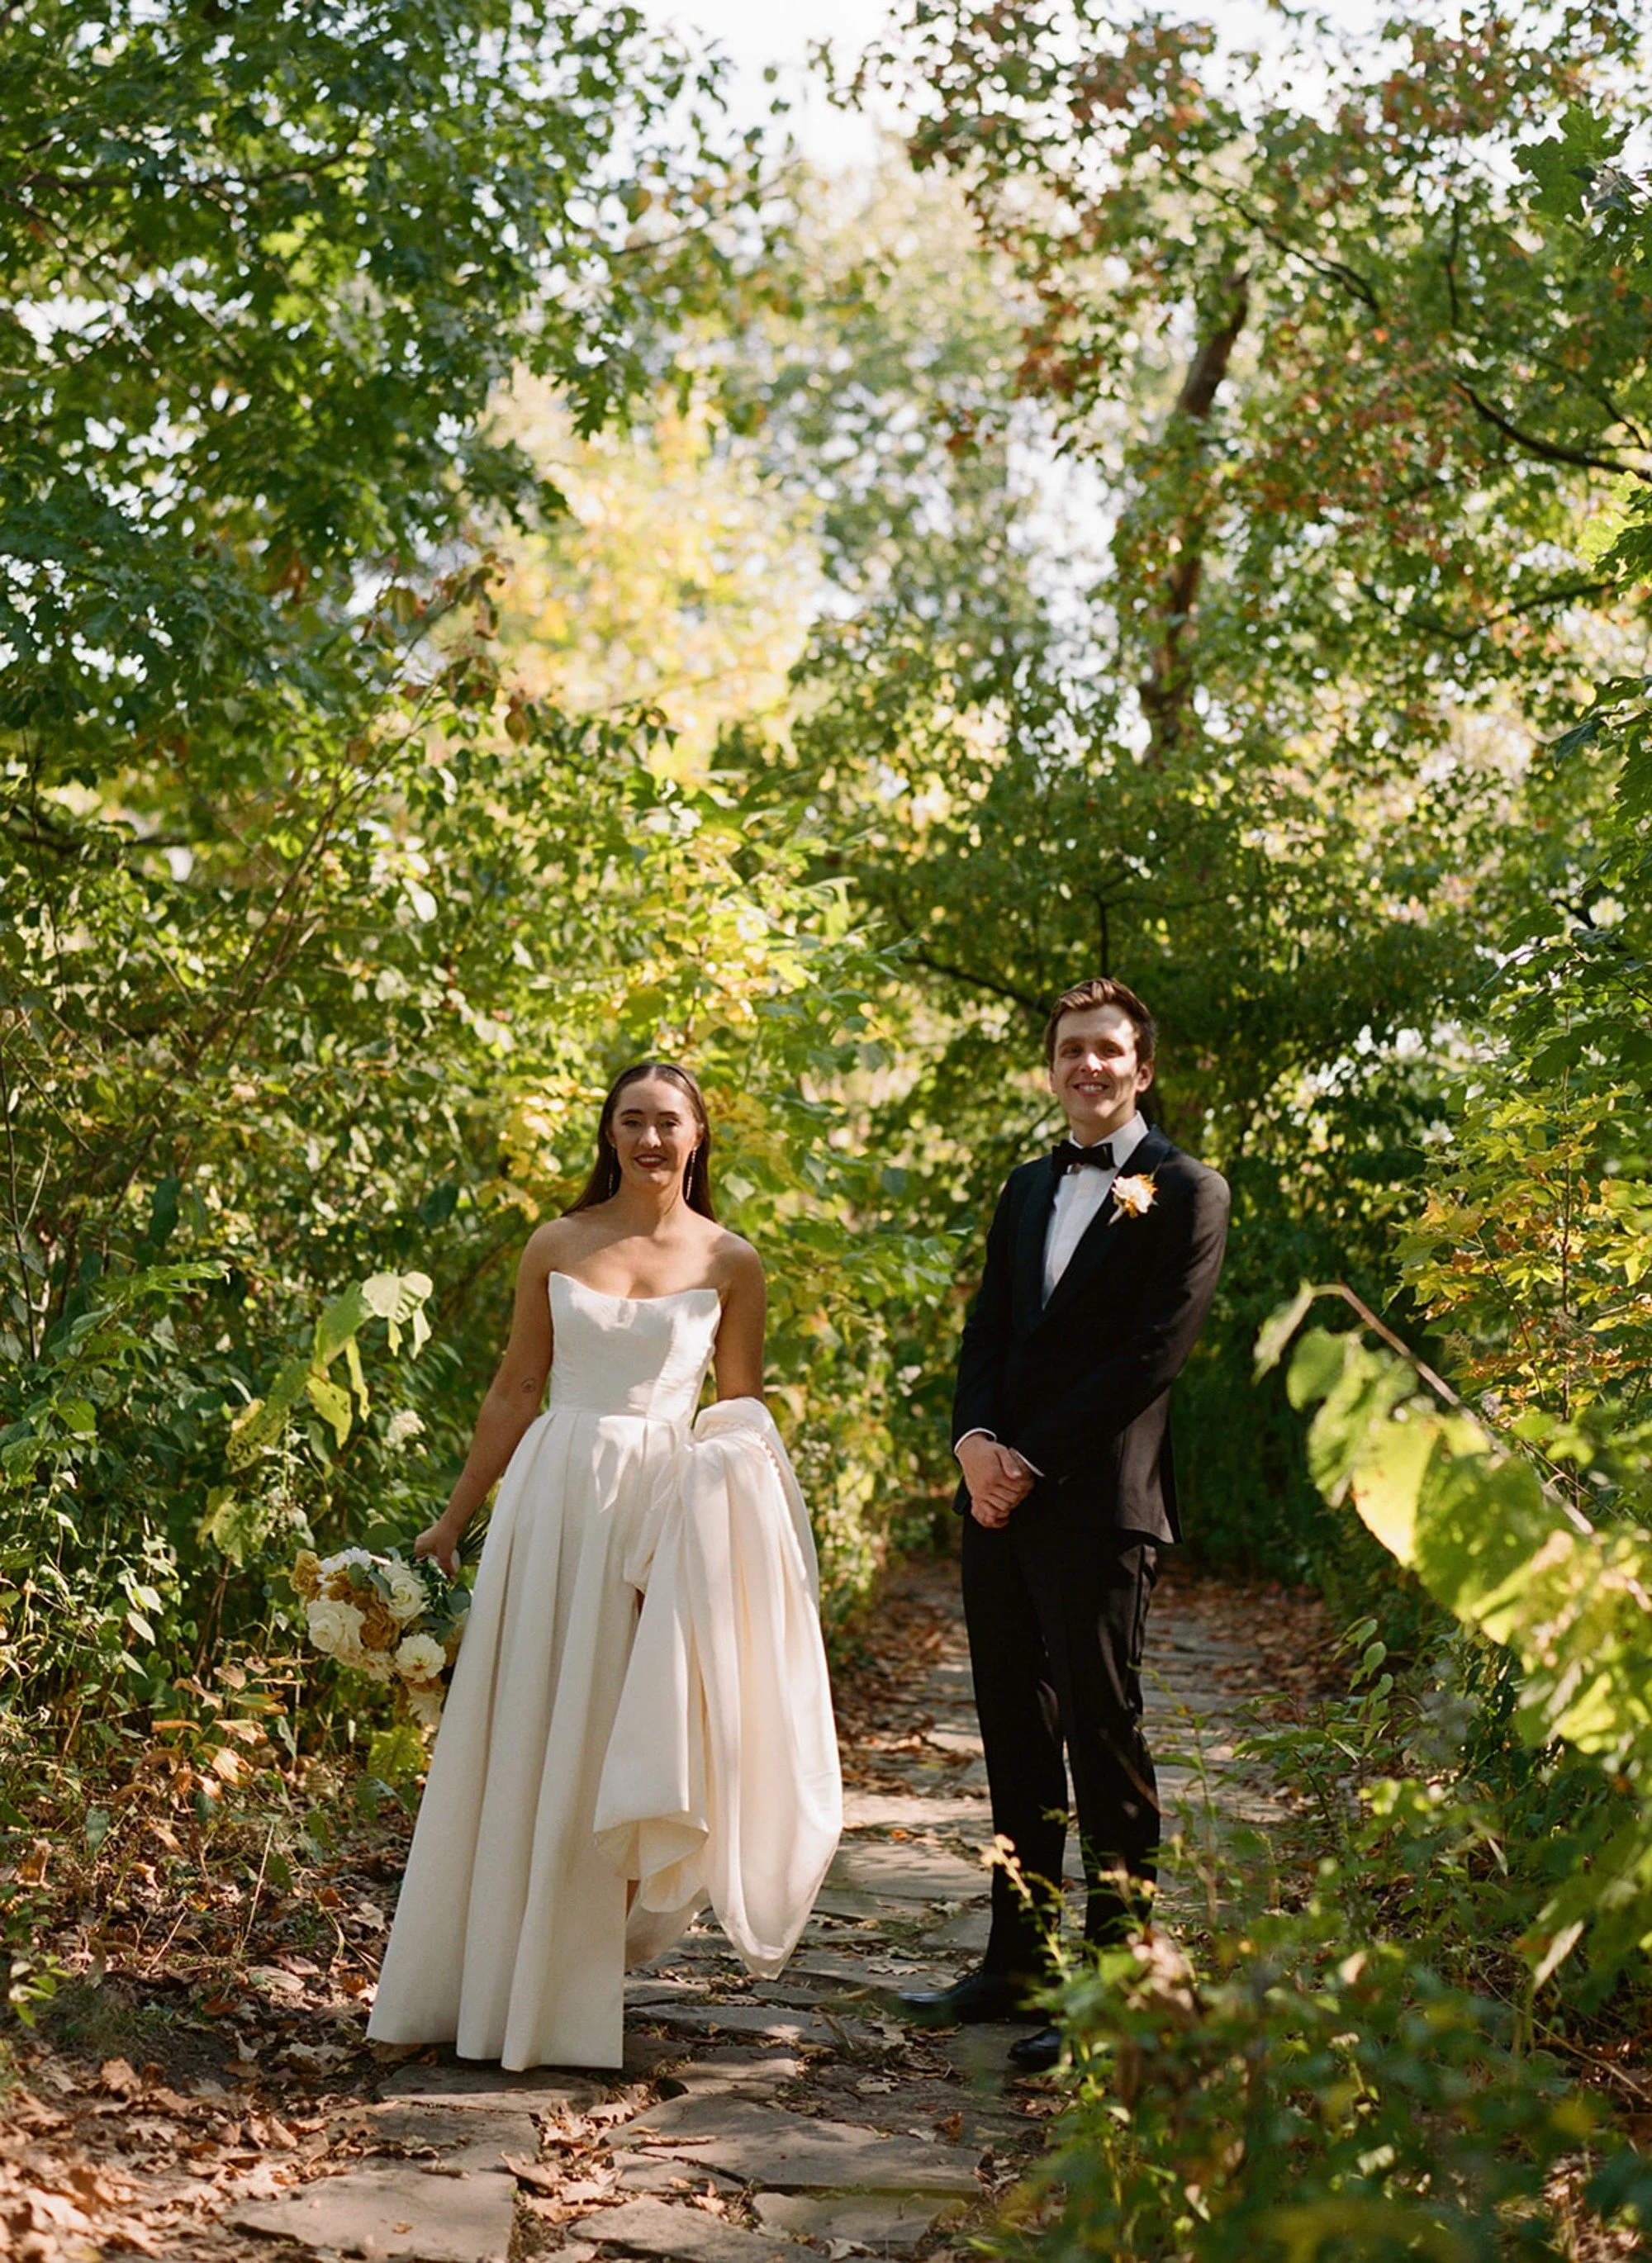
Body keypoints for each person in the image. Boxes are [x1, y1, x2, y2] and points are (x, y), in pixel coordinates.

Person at [368, 1061, 840, 2071]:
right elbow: (515, 1386)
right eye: (631, 1121)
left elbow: (740, 1414)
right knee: (535, 1727)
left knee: (631, 1735)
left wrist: (728, 1543)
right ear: (608, 1133)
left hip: (663, 1510)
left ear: (700, 1134)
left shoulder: (732, 1261)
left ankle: (572, 1986)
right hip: (553, 1501)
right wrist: (453, 1521)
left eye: (667, 1121)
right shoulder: (558, 1241)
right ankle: (488, 1979)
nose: (649, 1138)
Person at [897, 978, 1229, 2073]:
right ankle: (1019, 1962)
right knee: (1014, 1731)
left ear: (1142, 1067)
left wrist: (1035, 1460)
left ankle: (1120, 1982)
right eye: (1070, 1050)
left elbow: (1151, 1356)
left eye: (1108, 1050)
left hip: (1097, 1502)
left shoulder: (1185, 1190)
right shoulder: (1024, 1188)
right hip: (995, 1498)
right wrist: (975, 1448)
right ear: (1052, 1066)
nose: (1088, 1065)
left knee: (1104, 1734)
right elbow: (988, 1330)